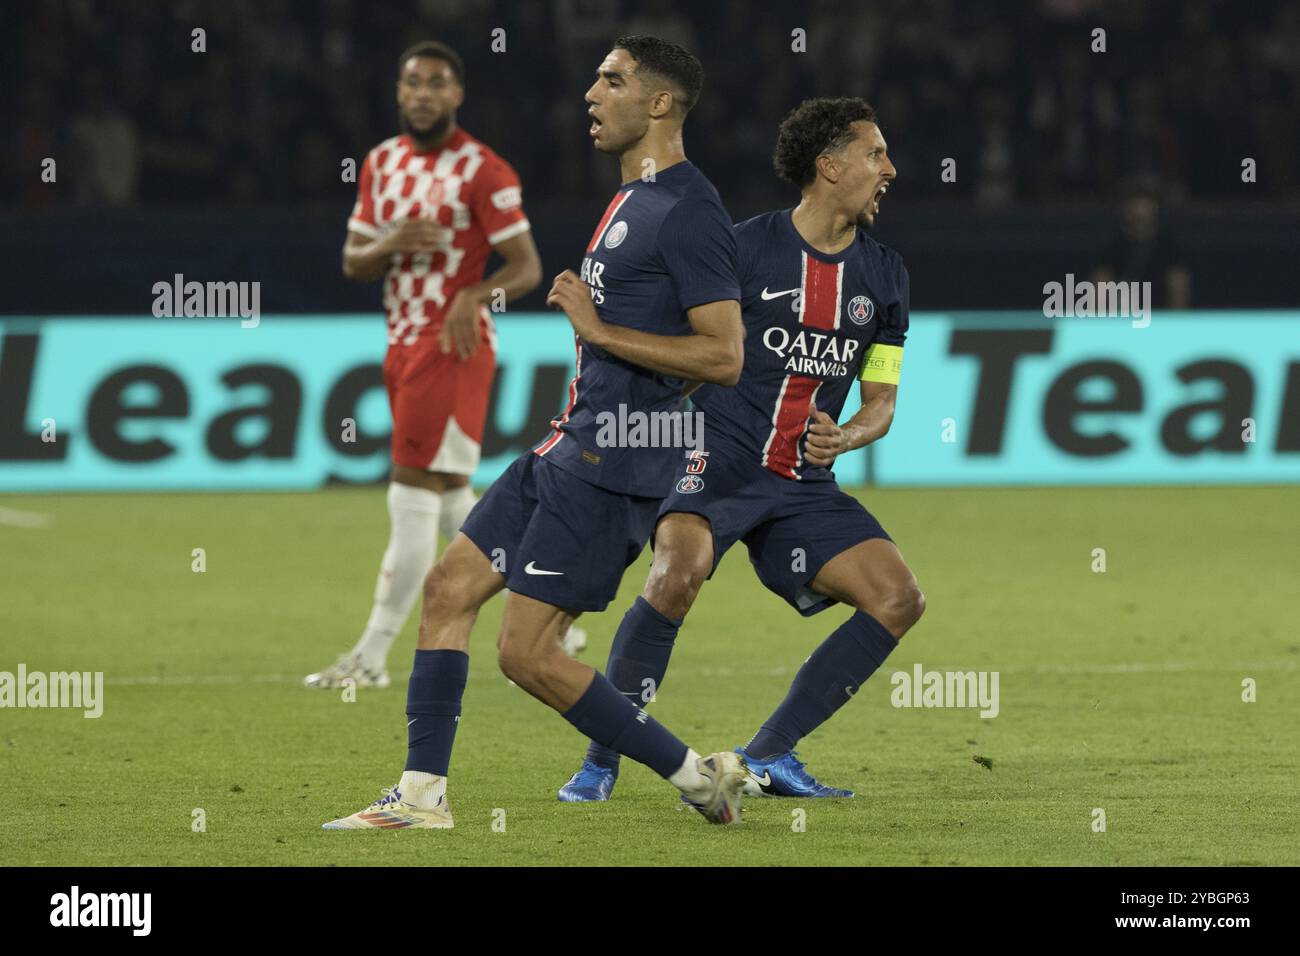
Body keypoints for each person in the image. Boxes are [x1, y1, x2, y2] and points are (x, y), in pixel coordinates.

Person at [325, 36, 749, 829]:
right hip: (569, 443)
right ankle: (421, 797)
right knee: (447, 590)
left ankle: (695, 777)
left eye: (612, 81)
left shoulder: (688, 210)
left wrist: (596, 327)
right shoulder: (631, 196)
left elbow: (724, 353)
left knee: (525, 655)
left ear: (659, 103)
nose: (590, 93)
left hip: (611, 465)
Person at [557, 97, 925, 802]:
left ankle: (768, 757)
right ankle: (601, 761)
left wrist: (844, 435)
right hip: (717, 454)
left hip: (803, 479)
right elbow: (689, 347)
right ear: (830, 165)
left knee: (897, 598)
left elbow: (881, 402)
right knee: (676, 574)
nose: (891, 170)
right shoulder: (743, 247)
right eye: (876, 155)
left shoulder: (885, 277)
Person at [304, 42, 588, 691]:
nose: (423, 94)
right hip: (401, 341)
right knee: (454, 498)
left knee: (410, 495)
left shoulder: (482, 170)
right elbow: (353, 261)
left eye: (437, 83)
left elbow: (526, 267)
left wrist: (472, 294)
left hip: (451, 345)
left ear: (457, 94)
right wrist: (391, 242)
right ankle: (554, 604)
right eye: (412, 83)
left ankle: (371, 656)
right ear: (399, 92)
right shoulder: (380, 163)